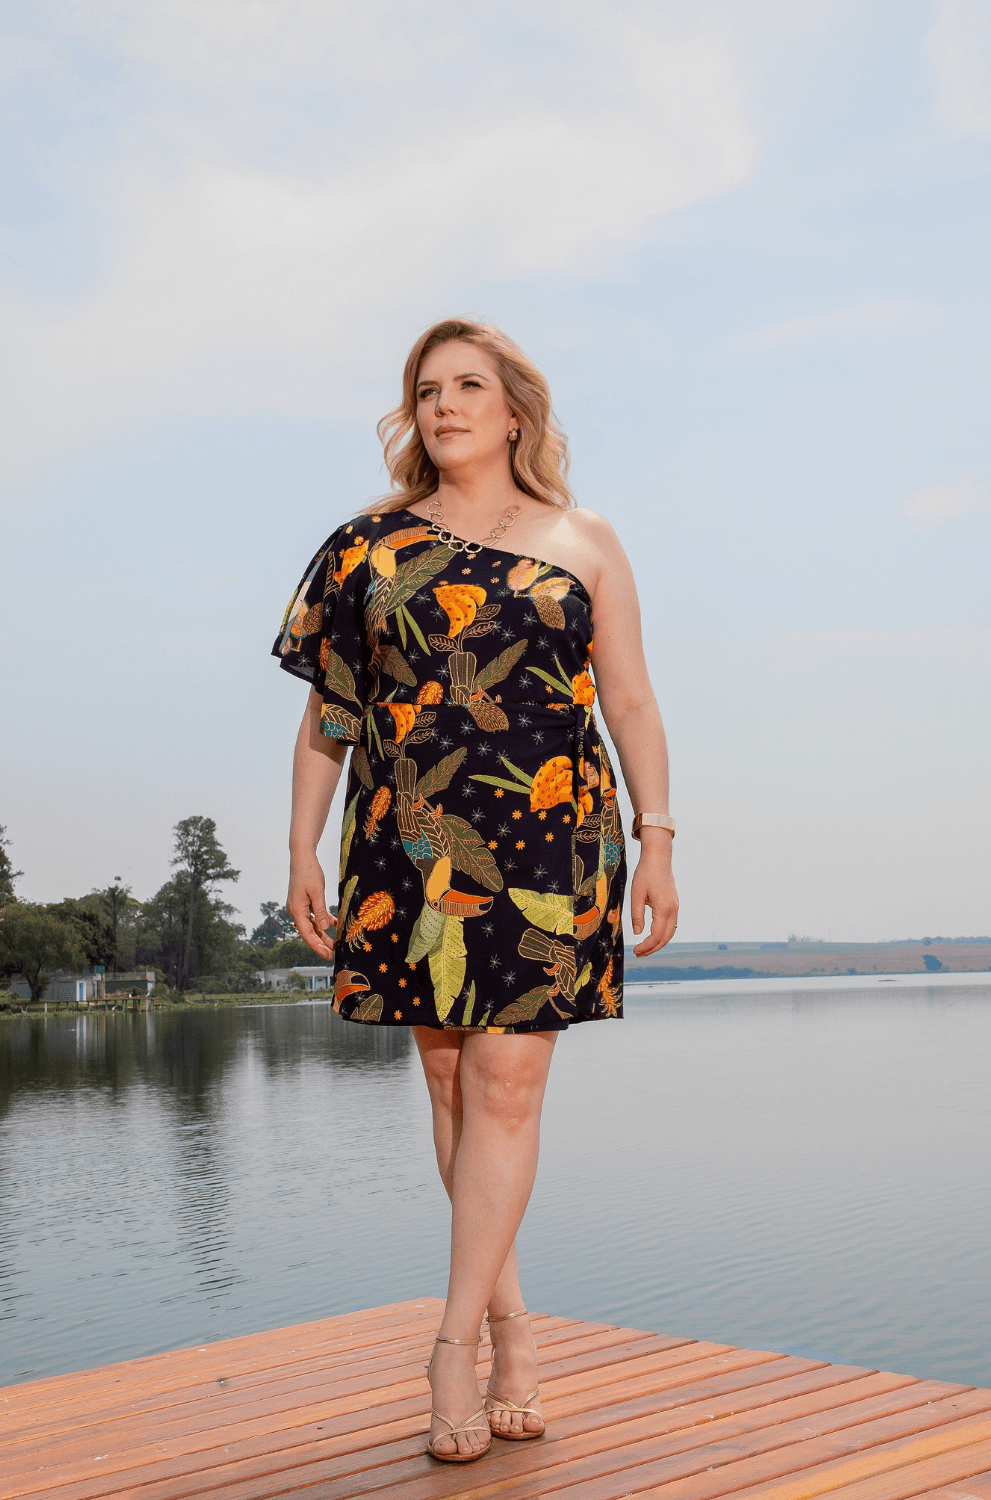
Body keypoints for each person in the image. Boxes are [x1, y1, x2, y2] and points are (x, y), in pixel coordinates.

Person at [273, 317, 678, 1463]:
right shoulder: (365, 548)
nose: (444, 405)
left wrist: (656, 839)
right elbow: (330, 717)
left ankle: (449, 1346)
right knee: (452, 1085)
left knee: (506, 1086)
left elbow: (629, 700)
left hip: (550, 841)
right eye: (426, 390)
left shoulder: (582, 539)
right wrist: (301, 850)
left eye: (467, 386)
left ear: (513, 414)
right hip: (411, 840)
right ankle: (511, 1327)